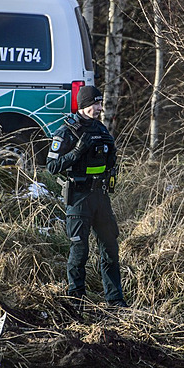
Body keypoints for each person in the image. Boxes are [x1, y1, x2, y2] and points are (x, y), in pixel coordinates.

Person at [47, 85, 127, 307]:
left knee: (110, 248)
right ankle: (76, 300)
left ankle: (115, 299)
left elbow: (108, 164)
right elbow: (52, 166)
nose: (99, 108)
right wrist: (77, 152)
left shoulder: (101, 130)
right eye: (95, 104)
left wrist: (111, 157)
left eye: (100, 103)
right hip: (79, 198)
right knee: (80, 250)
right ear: (83, 106)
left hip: (100, 197)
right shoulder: (66, 132)